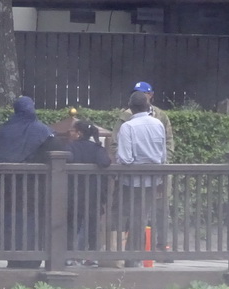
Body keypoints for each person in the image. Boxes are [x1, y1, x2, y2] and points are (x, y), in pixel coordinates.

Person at [0, 95, 60, 268]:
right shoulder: (42, 130)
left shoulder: (4, 130)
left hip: (5, 185)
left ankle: (12, 257)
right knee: (31, 220)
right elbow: (54, 150)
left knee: (9, 220)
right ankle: (32, 257)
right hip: (33, 186)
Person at [107, 81, 175, 255]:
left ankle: (155, 248)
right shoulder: (126, 118)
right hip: (145, 177)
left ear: (150, 95)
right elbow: (115, 143)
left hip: (141, 177)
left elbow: (167, 145)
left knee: (153, 212)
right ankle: (127, 252)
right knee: (128, 213)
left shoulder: (159, 117)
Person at [115, 90, 167, 267]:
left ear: (130, 108)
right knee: (142, 217)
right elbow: (163, 156)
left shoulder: (127, 127)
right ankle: (134, 256)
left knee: (130, 216)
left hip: (132, 180)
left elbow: (125, 158)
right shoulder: (158, 124)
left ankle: (130, 256)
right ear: (148, 106)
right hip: (153, 178)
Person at [65, 119, 111, 265]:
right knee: (92, 226)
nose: (70, 132)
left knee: (72, 226)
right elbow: (105, 162)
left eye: (72, 130)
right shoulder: (96, 148)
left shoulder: (70, 147)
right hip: (94, 194)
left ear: (79, 133)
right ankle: (92, 257)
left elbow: (66, 160)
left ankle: (69, 257)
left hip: (74, 193)